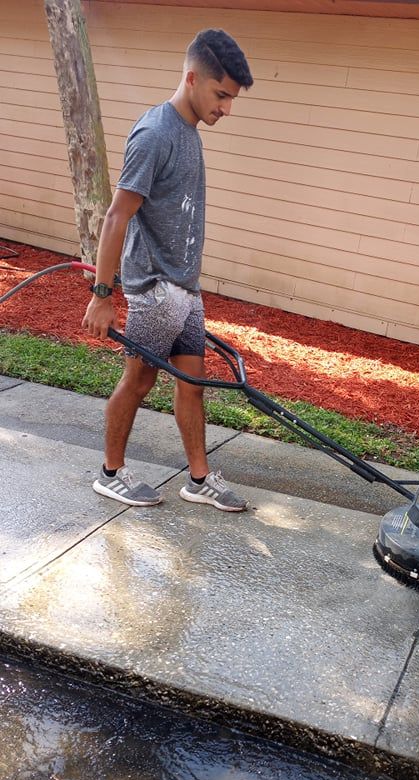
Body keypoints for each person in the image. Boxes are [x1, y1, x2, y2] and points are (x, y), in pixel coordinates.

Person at [82, 28, 253, 511]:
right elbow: (118, 215)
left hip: (185, 289)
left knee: (192, 385)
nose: (226, 107)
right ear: (192, 77)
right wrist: (102, 293)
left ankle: (198, 479)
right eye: (221, 94)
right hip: (155, 288)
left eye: (232, 98)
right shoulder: (156, 133)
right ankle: (110, 473)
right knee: (138, 382)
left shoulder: (189, 134)